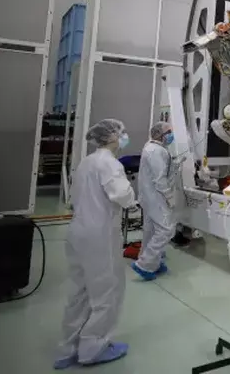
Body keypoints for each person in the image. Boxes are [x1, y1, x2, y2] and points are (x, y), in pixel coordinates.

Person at [54, 119, 136, 369]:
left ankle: (68, 348)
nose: (124, 137)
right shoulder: (110, 163)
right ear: (111, 137)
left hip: (78, 231)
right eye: (121, 133)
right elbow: (123, 196)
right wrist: (132, 197)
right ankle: (93, 348)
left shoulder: (87, 162)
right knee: (106, 292)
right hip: (99, 234)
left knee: (79, 292)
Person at [131, 121, 176, 281]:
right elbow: (160, 178)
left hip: (149, 196)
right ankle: (145, 264)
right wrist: (169, 197)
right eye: (169, 132)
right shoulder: (156, 151)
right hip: (156, 196)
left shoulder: (152, 147)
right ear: (160, 135)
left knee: (150, 230)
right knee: (166, 230)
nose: (171, 135)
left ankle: (154, 263)